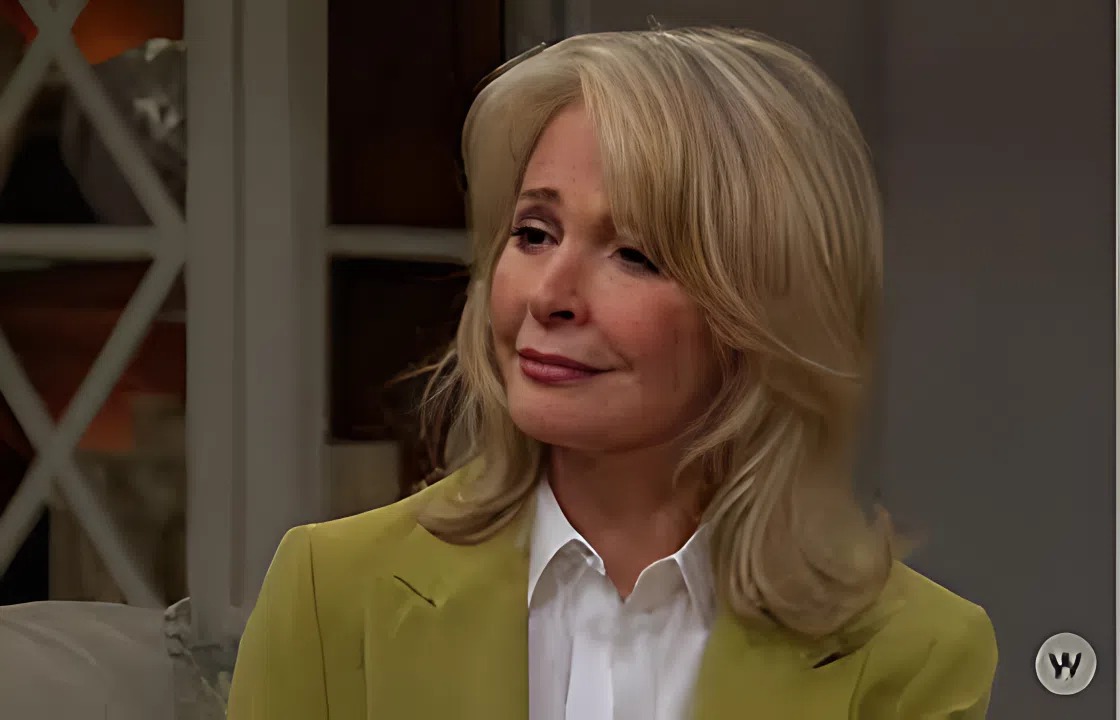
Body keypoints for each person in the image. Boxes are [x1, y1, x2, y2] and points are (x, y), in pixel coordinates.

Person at [227, 27, 998, 719]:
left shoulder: (914, 653)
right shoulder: (333, 594)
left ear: (759, 313)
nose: (549, 295)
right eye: (534, 233)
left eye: (633, 254)